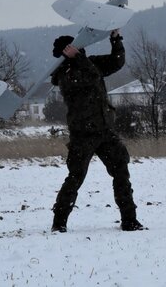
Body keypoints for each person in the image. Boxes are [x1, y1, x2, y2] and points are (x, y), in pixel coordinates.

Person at [50, 30, 144, 232]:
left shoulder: (88, 63)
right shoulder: (64, 74)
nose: (81, 49)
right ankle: (59, 223)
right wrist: (77, 60)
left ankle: (129, 220)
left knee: (121, 171)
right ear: (65, 53)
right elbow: (89, 77)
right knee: (76, 177)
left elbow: (116, 62)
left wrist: (116, 39)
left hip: (105, 130)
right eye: (75, 48)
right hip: (82, 134)